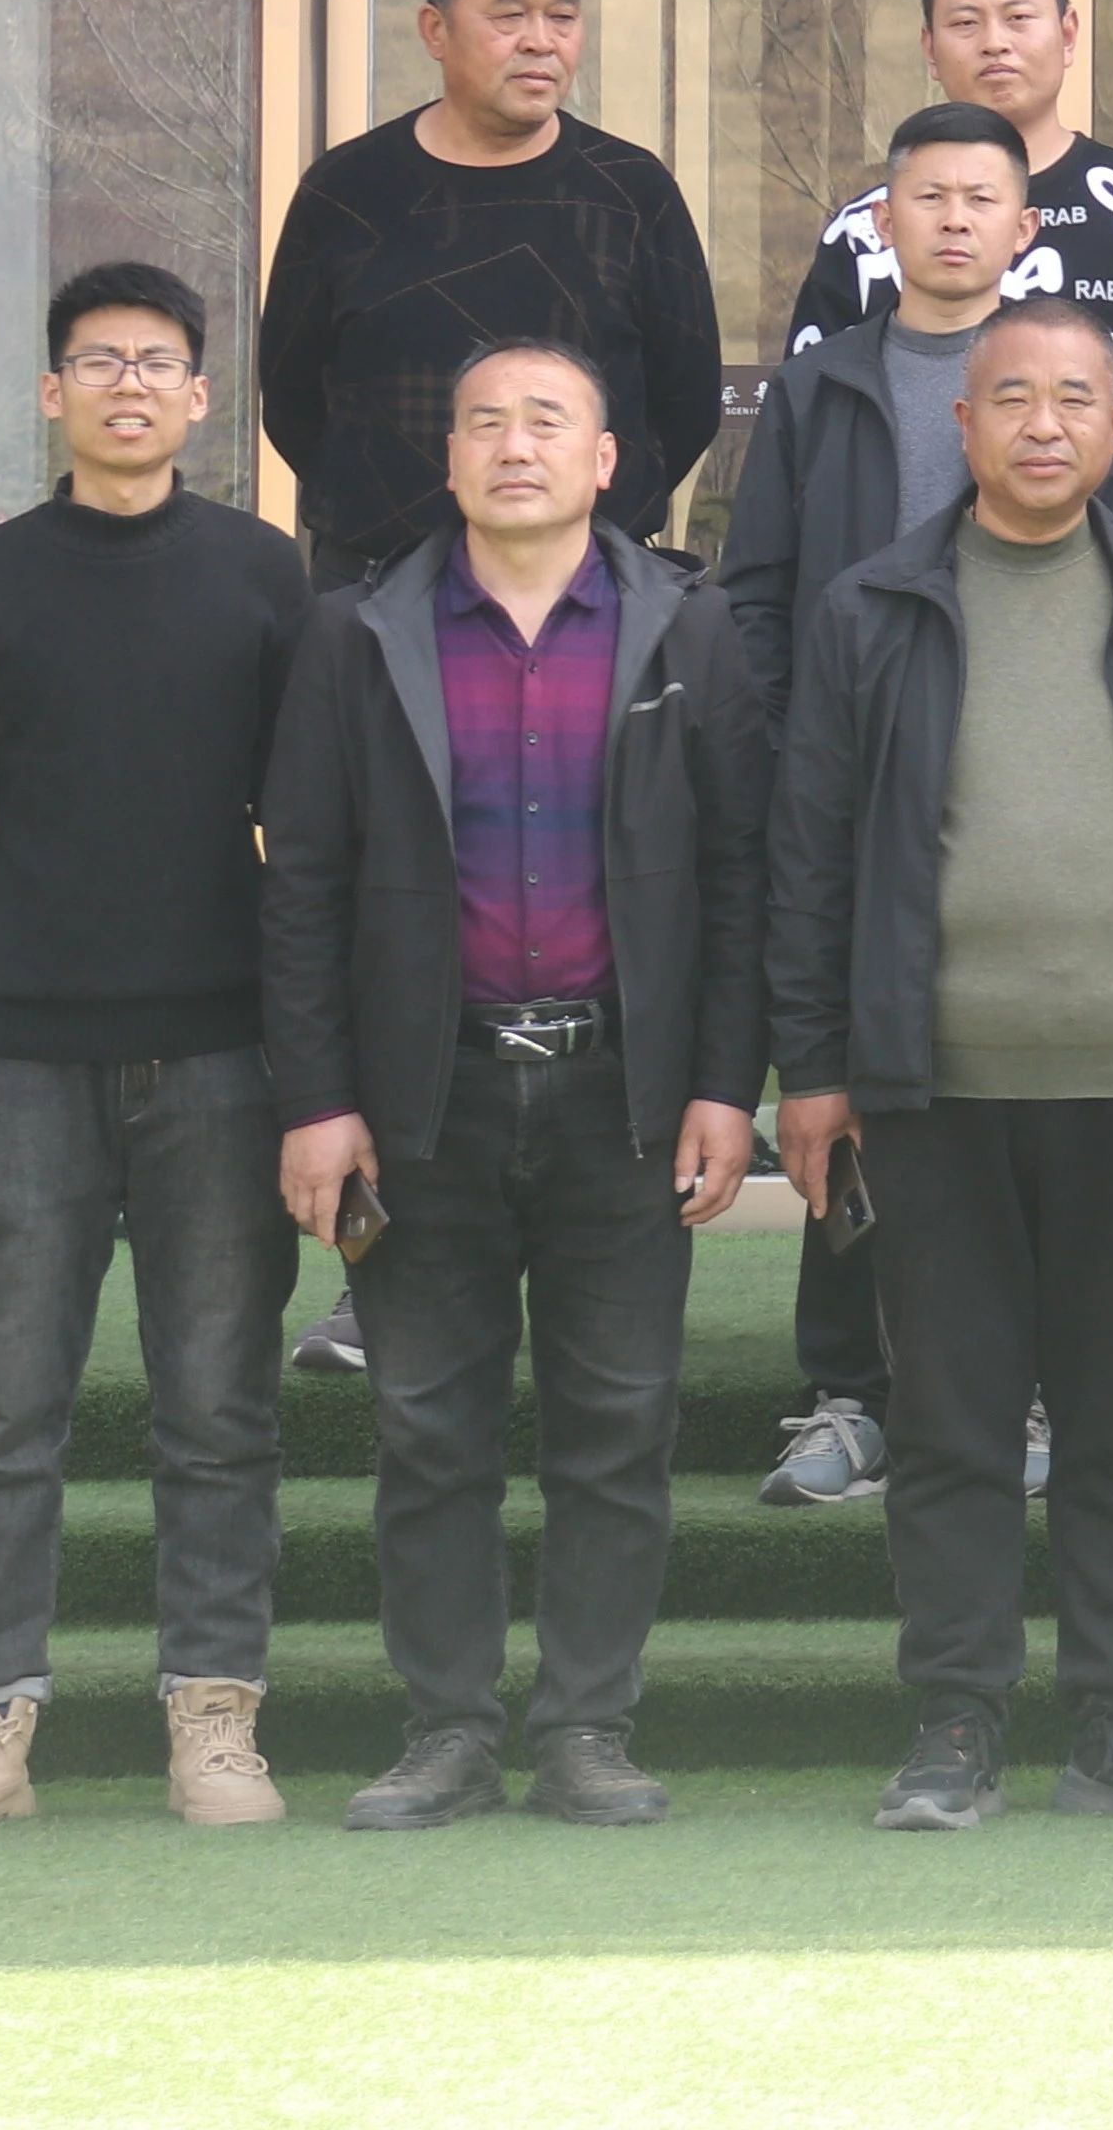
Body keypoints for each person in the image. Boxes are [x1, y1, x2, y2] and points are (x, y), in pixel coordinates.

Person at [761, 300, 1113, 1831]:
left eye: (1076, 398)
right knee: (953, 1421)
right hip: (931, 1088)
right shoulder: (871, 609)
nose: (1044, 425)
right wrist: (814, 1066)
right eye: (1013, 398)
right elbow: (810, 853)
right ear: (963, 424)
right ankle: (957, 1718)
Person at [260, 338, 769, 1832]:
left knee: (619, 1425)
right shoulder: (361, 633)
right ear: (452, 458)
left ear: (607, 461)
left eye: (548, 421)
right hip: (428, 1098)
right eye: (484, 422)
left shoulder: (690, 626)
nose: (515, 445)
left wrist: (724, 1084)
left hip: (625, 1095)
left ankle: (589, 1728)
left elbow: (742, 875)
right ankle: (446, 1730)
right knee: (430, 1430)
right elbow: (303, 884)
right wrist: (318, 1099)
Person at [0, 262, 321, 1839]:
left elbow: (309, 832)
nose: (129, 385)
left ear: (202, 397)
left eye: (157, 362)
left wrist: (312, 1067)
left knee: (219, 1409)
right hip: (22, 1058)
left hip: (221, 1059)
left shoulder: (264, 577)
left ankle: (217, 1718)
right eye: (98, 361)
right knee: (3, 1411)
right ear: (52, 392)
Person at [729, 105, 1031, 1518]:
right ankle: (849, 1393)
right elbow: (756, 594)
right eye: (929, 196)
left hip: (1028, 792)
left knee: (1015, 1100)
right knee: (848, 1096)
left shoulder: (1063, 374)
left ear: (1023, 225)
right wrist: (787, 760)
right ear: (883, 220)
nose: (955, 219)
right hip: (852, 789)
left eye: (981, 197)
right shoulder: (820, 386)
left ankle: (1017, 1392)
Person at [253, 0, 728, 581]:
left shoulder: (629, 191)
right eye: (509, 16)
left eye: (562, 17)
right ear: (436, 30)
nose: (540, 41)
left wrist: (572, 523)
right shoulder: (347, 190)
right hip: (378, 587)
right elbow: (293, 396)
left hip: (590, 590)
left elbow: (687, 399)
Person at [778, 0, 1113, 513]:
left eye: (1019, 18)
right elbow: (813, 413)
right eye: (966, 23)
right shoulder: (866, 230)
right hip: (899, 550)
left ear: (1067, 34)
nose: (994, 42)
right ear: (930, 49)